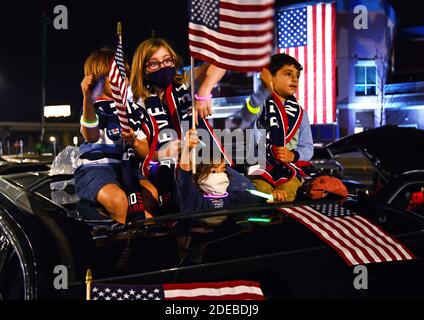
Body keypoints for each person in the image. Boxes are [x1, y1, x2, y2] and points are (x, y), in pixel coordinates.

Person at [130, 38, 231, 213]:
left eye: (167, 60)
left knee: (241, 192)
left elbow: (223, 59)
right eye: (154, 63)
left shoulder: (186, 80)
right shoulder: (138, 102)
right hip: (165, 168)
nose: (163, 67)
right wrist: (163, 153)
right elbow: (143, 151)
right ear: (144, 69)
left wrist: (204, 91)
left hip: (205, 160)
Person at [75, 48, 158, 224]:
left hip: (128, 168)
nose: (119, 80)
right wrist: (87, 98)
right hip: (95, 169)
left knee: (151, 195)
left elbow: (145, 152)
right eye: (111, 76)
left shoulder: (136, 110)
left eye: (123, 75)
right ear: (97, 80)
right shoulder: (93, 107)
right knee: (118, 200)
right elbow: (90, 136)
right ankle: (120, 248)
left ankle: (140, 243)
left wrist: (134, 141)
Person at [246, 53, 314, 201]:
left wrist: (293, 155)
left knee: (285, 193)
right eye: (288, 74)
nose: (295, 79)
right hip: (260, 167)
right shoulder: (258, 105)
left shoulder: (301, 114)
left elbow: (308, 148)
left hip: (290, 171)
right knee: (261, 192)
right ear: (271, 78)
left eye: (297, 75)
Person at [175, 130, 286, 217]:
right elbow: (185, 177)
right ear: (198, 176)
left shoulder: (234, 197)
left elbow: (261, 200)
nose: (221, 175)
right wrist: (186, 149)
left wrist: (274, 197)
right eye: (213, 171)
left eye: (223, 170)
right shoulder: (193, 199)